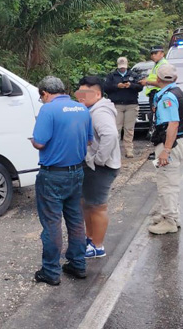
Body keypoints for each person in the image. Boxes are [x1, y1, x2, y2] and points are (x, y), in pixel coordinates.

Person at [30, 76, 93, 286]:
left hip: (53, 175)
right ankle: (77, 264)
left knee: (51, 223)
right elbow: (90, 139)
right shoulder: (81, 108)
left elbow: (39, 142)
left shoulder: (48, 110)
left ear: (45, 93)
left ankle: (51, 271)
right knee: (75, 220)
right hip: (77, 172)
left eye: (42, 97)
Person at [75, 76, 121, 259]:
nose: (81, 97)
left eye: (85, 93)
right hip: (94, 166)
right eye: (79, 93)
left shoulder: (100, 112)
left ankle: (98, 246)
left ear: (98, 94)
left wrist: (98, 160)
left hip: (102, 168)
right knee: (88, 204)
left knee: (98, 207)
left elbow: (110, 135)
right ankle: (90, 240)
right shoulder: (93, 109)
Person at [148, 63, 183, 235]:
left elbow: (172, 124)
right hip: (174, 142)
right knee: (168, 180)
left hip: (169, 143)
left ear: (158, 79)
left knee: (167, 183)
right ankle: (171, 215)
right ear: (175, 78)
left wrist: (166, 150)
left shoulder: (167, 98)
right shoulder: (177, 92)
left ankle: (169, 220)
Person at [103, 57, 143, 158]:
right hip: (117, 105)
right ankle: (114, 150)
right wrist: (117, 86)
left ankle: (129, 150)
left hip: (131, 105)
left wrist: (131, 85)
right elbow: (106, 88)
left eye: (124, 67)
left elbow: (140, 87)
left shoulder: (133, 75)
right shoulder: (111, 76)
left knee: (129, 129)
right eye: (120, 67)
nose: (122, 69)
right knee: (116, 129)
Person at [140, 46, 169, 160]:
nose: (152, 56)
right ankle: (158, 149)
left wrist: (147, 82)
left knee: (160, 123)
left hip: (159, 95)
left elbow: (162, 83)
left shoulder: (163, 65)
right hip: (155, 95)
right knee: (156, 122)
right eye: (151, 53)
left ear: (162, 53)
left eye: (155, 53)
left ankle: (162, 150)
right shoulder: (157, 65)